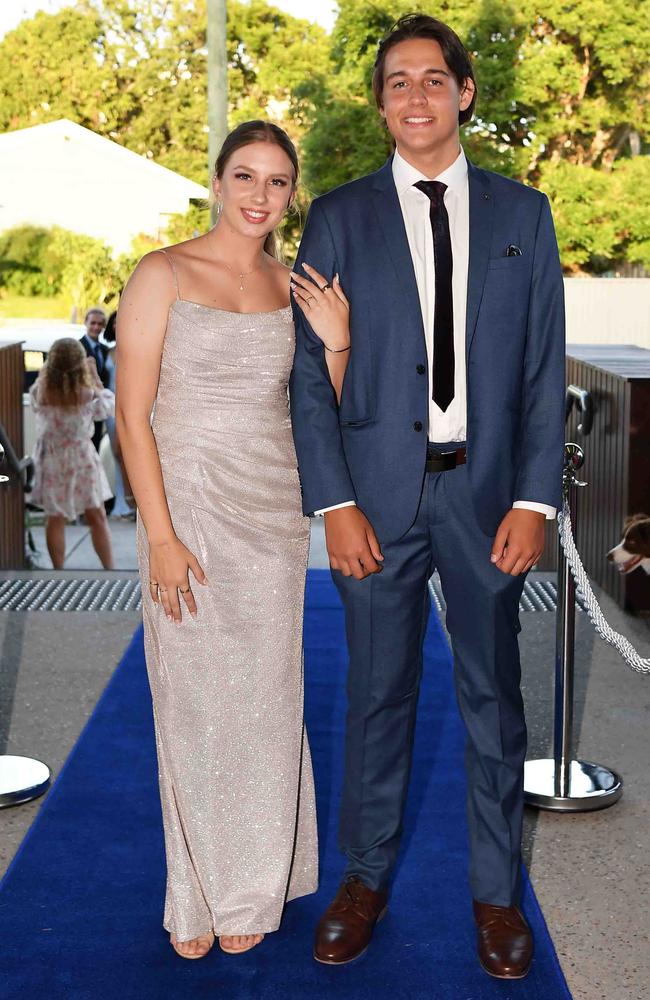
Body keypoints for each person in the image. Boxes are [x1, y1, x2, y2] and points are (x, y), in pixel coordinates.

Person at [290, 13, 565, 980]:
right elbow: (306, 376)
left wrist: (535, 499)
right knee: (375, 696)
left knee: (494, 698)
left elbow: (539, 370)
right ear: (380, 103)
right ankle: (362, 881)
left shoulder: (525, 214)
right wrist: (334, 505)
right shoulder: (339, 214)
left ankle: (496, 896)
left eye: (433, 79)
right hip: (374, 498)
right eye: (397, 81)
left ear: (464, 93)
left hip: (487, 499)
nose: (416, 95)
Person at [115, 121, 349, 961]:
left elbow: (317, 410)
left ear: (292, 194)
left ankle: (252, 883)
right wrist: (163, 534)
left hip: (272, 515)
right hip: (189, 510)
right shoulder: (163, 273)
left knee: (265, 701)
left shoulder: (294, 287)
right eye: (245, 177)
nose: (259, 195)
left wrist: (340, 342)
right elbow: (130, 417)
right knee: (191, 703)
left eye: (277, 182)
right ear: (216, 182)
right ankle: (198, 890)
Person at [29, 337, 115, 570]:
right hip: (81, 457)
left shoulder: (41, 391)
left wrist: (46, 371)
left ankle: (59, 571)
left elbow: (36, 398)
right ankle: (109, 569)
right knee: (96, 515)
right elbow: (107, 408)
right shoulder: (86, 393)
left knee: (54, 518)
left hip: (52, 459)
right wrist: (95, 377)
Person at [102, 309, 135, 518]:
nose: (117, 325)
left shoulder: (134, 348)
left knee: (126, 454)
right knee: (116, 456)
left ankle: (131, 503)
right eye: (114, 322)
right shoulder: (106, 352)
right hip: (108, 408)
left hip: (127, 406)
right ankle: (121, 504)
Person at [80, 307, 110, 452]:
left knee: (96, 447)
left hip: (99, 407)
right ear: (85, 323)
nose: (96, 327)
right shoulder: (77, 347)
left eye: (100, 324)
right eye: (92, 323)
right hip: (83, 408)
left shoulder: (105, 350)